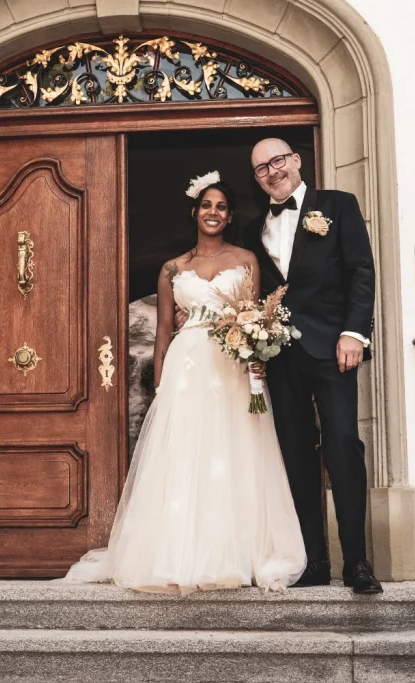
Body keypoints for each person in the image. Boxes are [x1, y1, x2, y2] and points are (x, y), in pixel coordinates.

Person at [60, 172, 305, 594]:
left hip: (231, 366)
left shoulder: (246, 260)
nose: (213, 212)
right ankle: (176, 554)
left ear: (230, 217)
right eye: (207, 205)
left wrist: (256, 361)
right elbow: (162, 335)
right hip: (187, 366)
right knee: (185, 453)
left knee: (234, 450)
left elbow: (254, 319)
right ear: (195, 212)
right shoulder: (173, 269)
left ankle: (236, 554)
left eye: (221, 207)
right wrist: (161, 386)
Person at [242, 138, 382, 594]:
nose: (272, 171)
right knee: (296, 457)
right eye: (261, 168)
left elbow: (361, 270)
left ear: (297, 161)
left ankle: (357, 562)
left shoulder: (338, 206)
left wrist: (354, 332)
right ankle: (313, 562)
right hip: (281, 358)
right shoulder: (253, 229)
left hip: (333, 349)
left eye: (277, 161)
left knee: (343, 447)